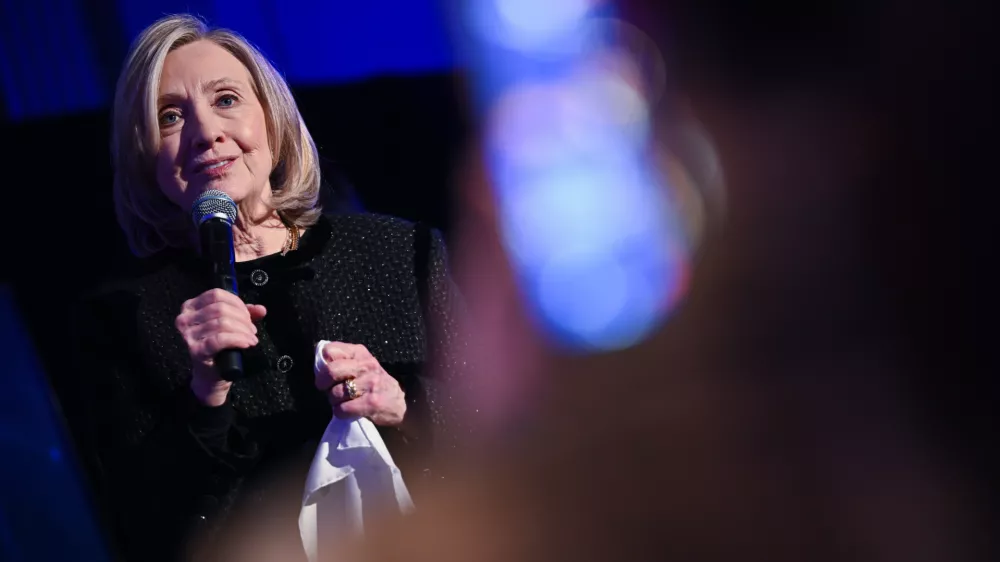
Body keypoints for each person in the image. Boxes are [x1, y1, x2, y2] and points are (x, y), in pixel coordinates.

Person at [65, 13, 471, 562]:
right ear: (144, 157)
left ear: (273, 121)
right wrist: (205, 397)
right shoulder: (123, 317)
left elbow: (511, 435)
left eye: (226, 99)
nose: (206, 132)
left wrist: (404, 406)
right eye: (169, 116)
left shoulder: (400, 252)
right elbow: (140, 524)